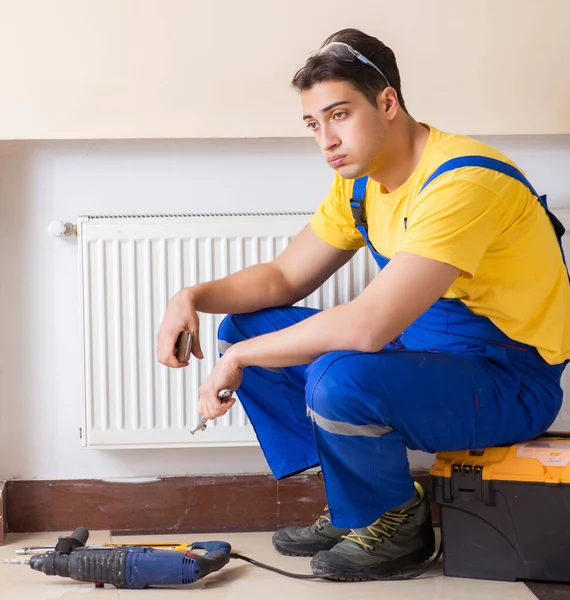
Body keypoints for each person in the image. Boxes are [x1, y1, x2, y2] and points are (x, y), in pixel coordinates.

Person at [157, 28, 570, 581]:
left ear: (388, 102)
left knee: (333, 373)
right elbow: (283, 278)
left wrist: (238, 360)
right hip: (424, 348)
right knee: (244, 327)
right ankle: (357, 507)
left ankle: (398, 525)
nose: (326, 139)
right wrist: (191, 297)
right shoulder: (360, 184)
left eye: (339, 115)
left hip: (507, 379)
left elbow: (371, 325)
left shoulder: (463, 180)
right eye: (313, 123)